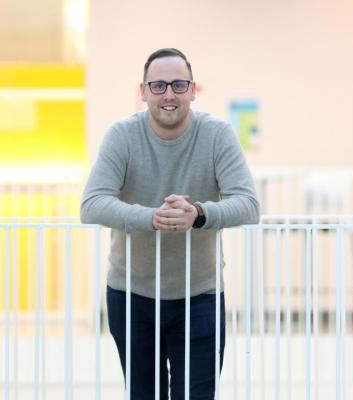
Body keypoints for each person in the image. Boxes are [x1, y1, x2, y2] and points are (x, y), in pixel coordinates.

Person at [81, 48, 260, 399]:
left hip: (201, 295)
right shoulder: (122, 136)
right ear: (143, 91)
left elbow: (249, 205)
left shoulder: (217, 135)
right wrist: (151, 218)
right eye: (158, 85)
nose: (169, 94)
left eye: (179, 84)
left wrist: (199, 214)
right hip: (131, 294)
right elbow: (91, 204)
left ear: (193, 90)